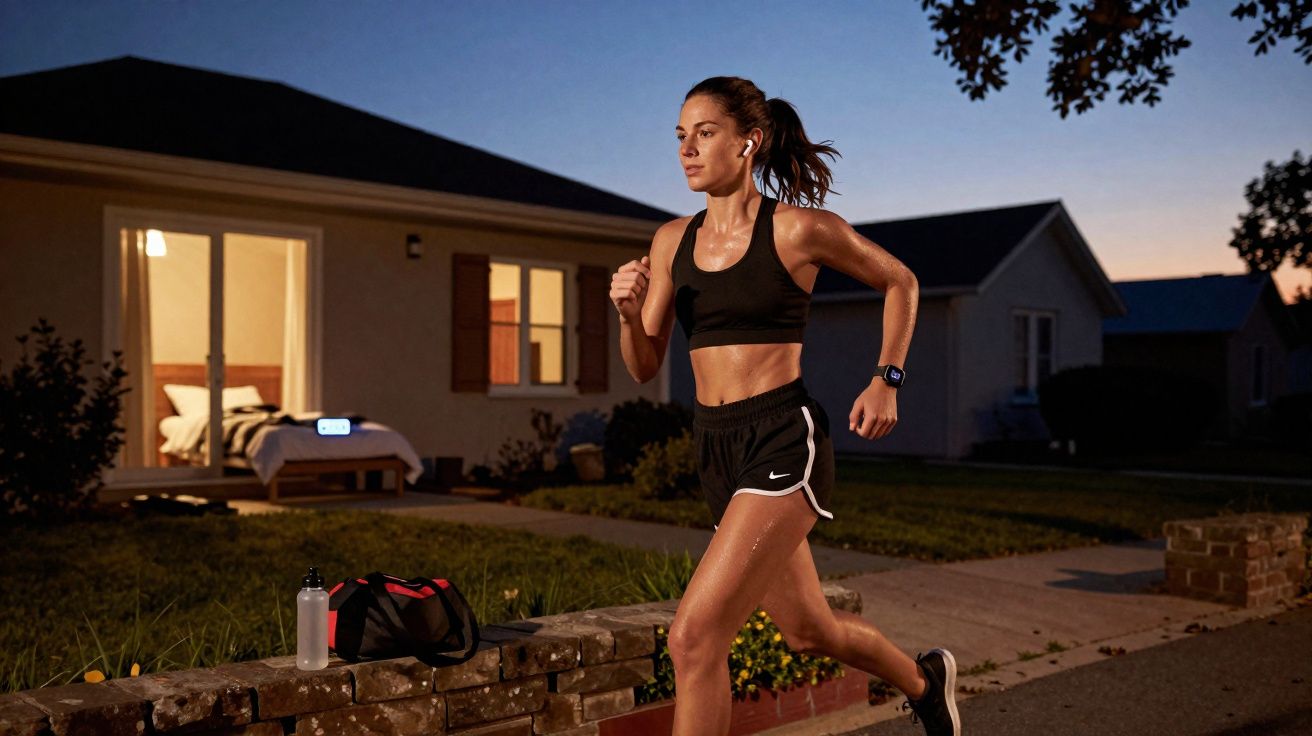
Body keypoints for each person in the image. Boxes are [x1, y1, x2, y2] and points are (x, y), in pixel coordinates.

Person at [609, 76, 960, 736]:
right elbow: (644, 364)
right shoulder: (671, 241)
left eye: (704, 133)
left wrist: (886, 378)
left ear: (750, 142)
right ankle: (925, 682)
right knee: (807, 630)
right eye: (680, 136)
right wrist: (629, 315)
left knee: (694, 639)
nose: (687, 149)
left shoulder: (799, 229)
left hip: (780, 437)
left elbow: (901, 282)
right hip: (715, 443)